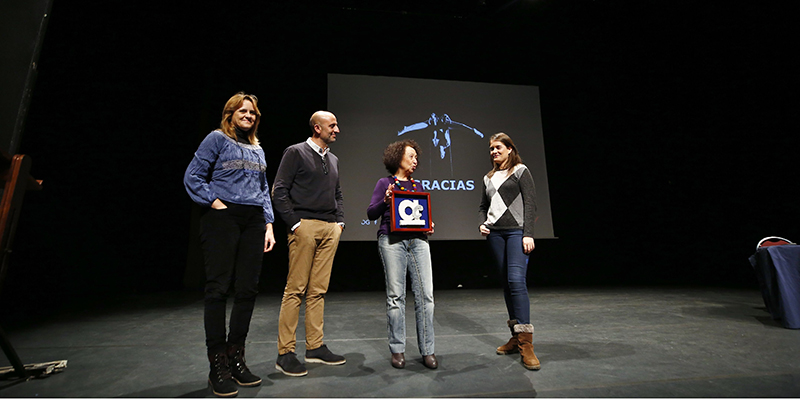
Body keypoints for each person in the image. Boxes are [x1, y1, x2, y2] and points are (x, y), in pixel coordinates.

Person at [184, 92, 276, 397]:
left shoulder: (258, 148)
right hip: (223, 218)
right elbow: (193, 176)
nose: (249, 116)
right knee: (218, 288)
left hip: (254, 220)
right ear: (230, 114)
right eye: (243, 111)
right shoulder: (217, 139)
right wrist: (214, 202)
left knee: (248, 289)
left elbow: (263, 189)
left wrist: (268, 223)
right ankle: (218, 365)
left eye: (253, 113)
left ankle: (236, 358)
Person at [272, 110, 346, 377]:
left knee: (318, 290)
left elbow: (338, 193)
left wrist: (339, 222)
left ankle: (314, 347)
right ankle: (285, 352)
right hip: (304, 227)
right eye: (332, 125)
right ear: (317, 128)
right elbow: (279, 190)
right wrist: (295, 224)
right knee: (295, 289)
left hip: (329, 228)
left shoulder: (333, 159)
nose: (337, 130)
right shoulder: (296, 152)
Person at [367, 140, 438, 370]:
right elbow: (371, 213)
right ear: (398, 158)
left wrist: (428, 224)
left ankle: (428, 349)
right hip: (392, 240)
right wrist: (385, 201)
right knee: (396, 296)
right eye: (411, 156)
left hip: (418, 241)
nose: (415, 161)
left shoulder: (418, 186)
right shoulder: (384, 183)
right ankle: (397, 349)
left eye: (416, 157)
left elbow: (420, 215)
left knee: (426, 296)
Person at [478, 132, 541, 371]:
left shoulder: (521, 171)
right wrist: (482, 223)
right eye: (491, 149)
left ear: (509, 149)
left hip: (516, 233)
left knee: (516, 281)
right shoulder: (488, 178)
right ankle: (515, 337)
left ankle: (526, 344)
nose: (494, 151)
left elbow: (531, 203)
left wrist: (528, 233)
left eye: (498, 147)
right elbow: (483, 206)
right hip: (495, 235)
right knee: (506, 283)